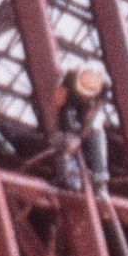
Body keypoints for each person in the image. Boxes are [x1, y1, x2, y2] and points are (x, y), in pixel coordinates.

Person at [54, 63, 111, 194]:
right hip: (70, 103)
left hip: (89, 107)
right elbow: (61, 105)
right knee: (65, 139)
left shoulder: (105, 85)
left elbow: (95, 109)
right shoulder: (69, 77)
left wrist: (84, 130)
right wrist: (71, 134)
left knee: (97, 131)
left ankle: (100, 179)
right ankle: (67, 176)